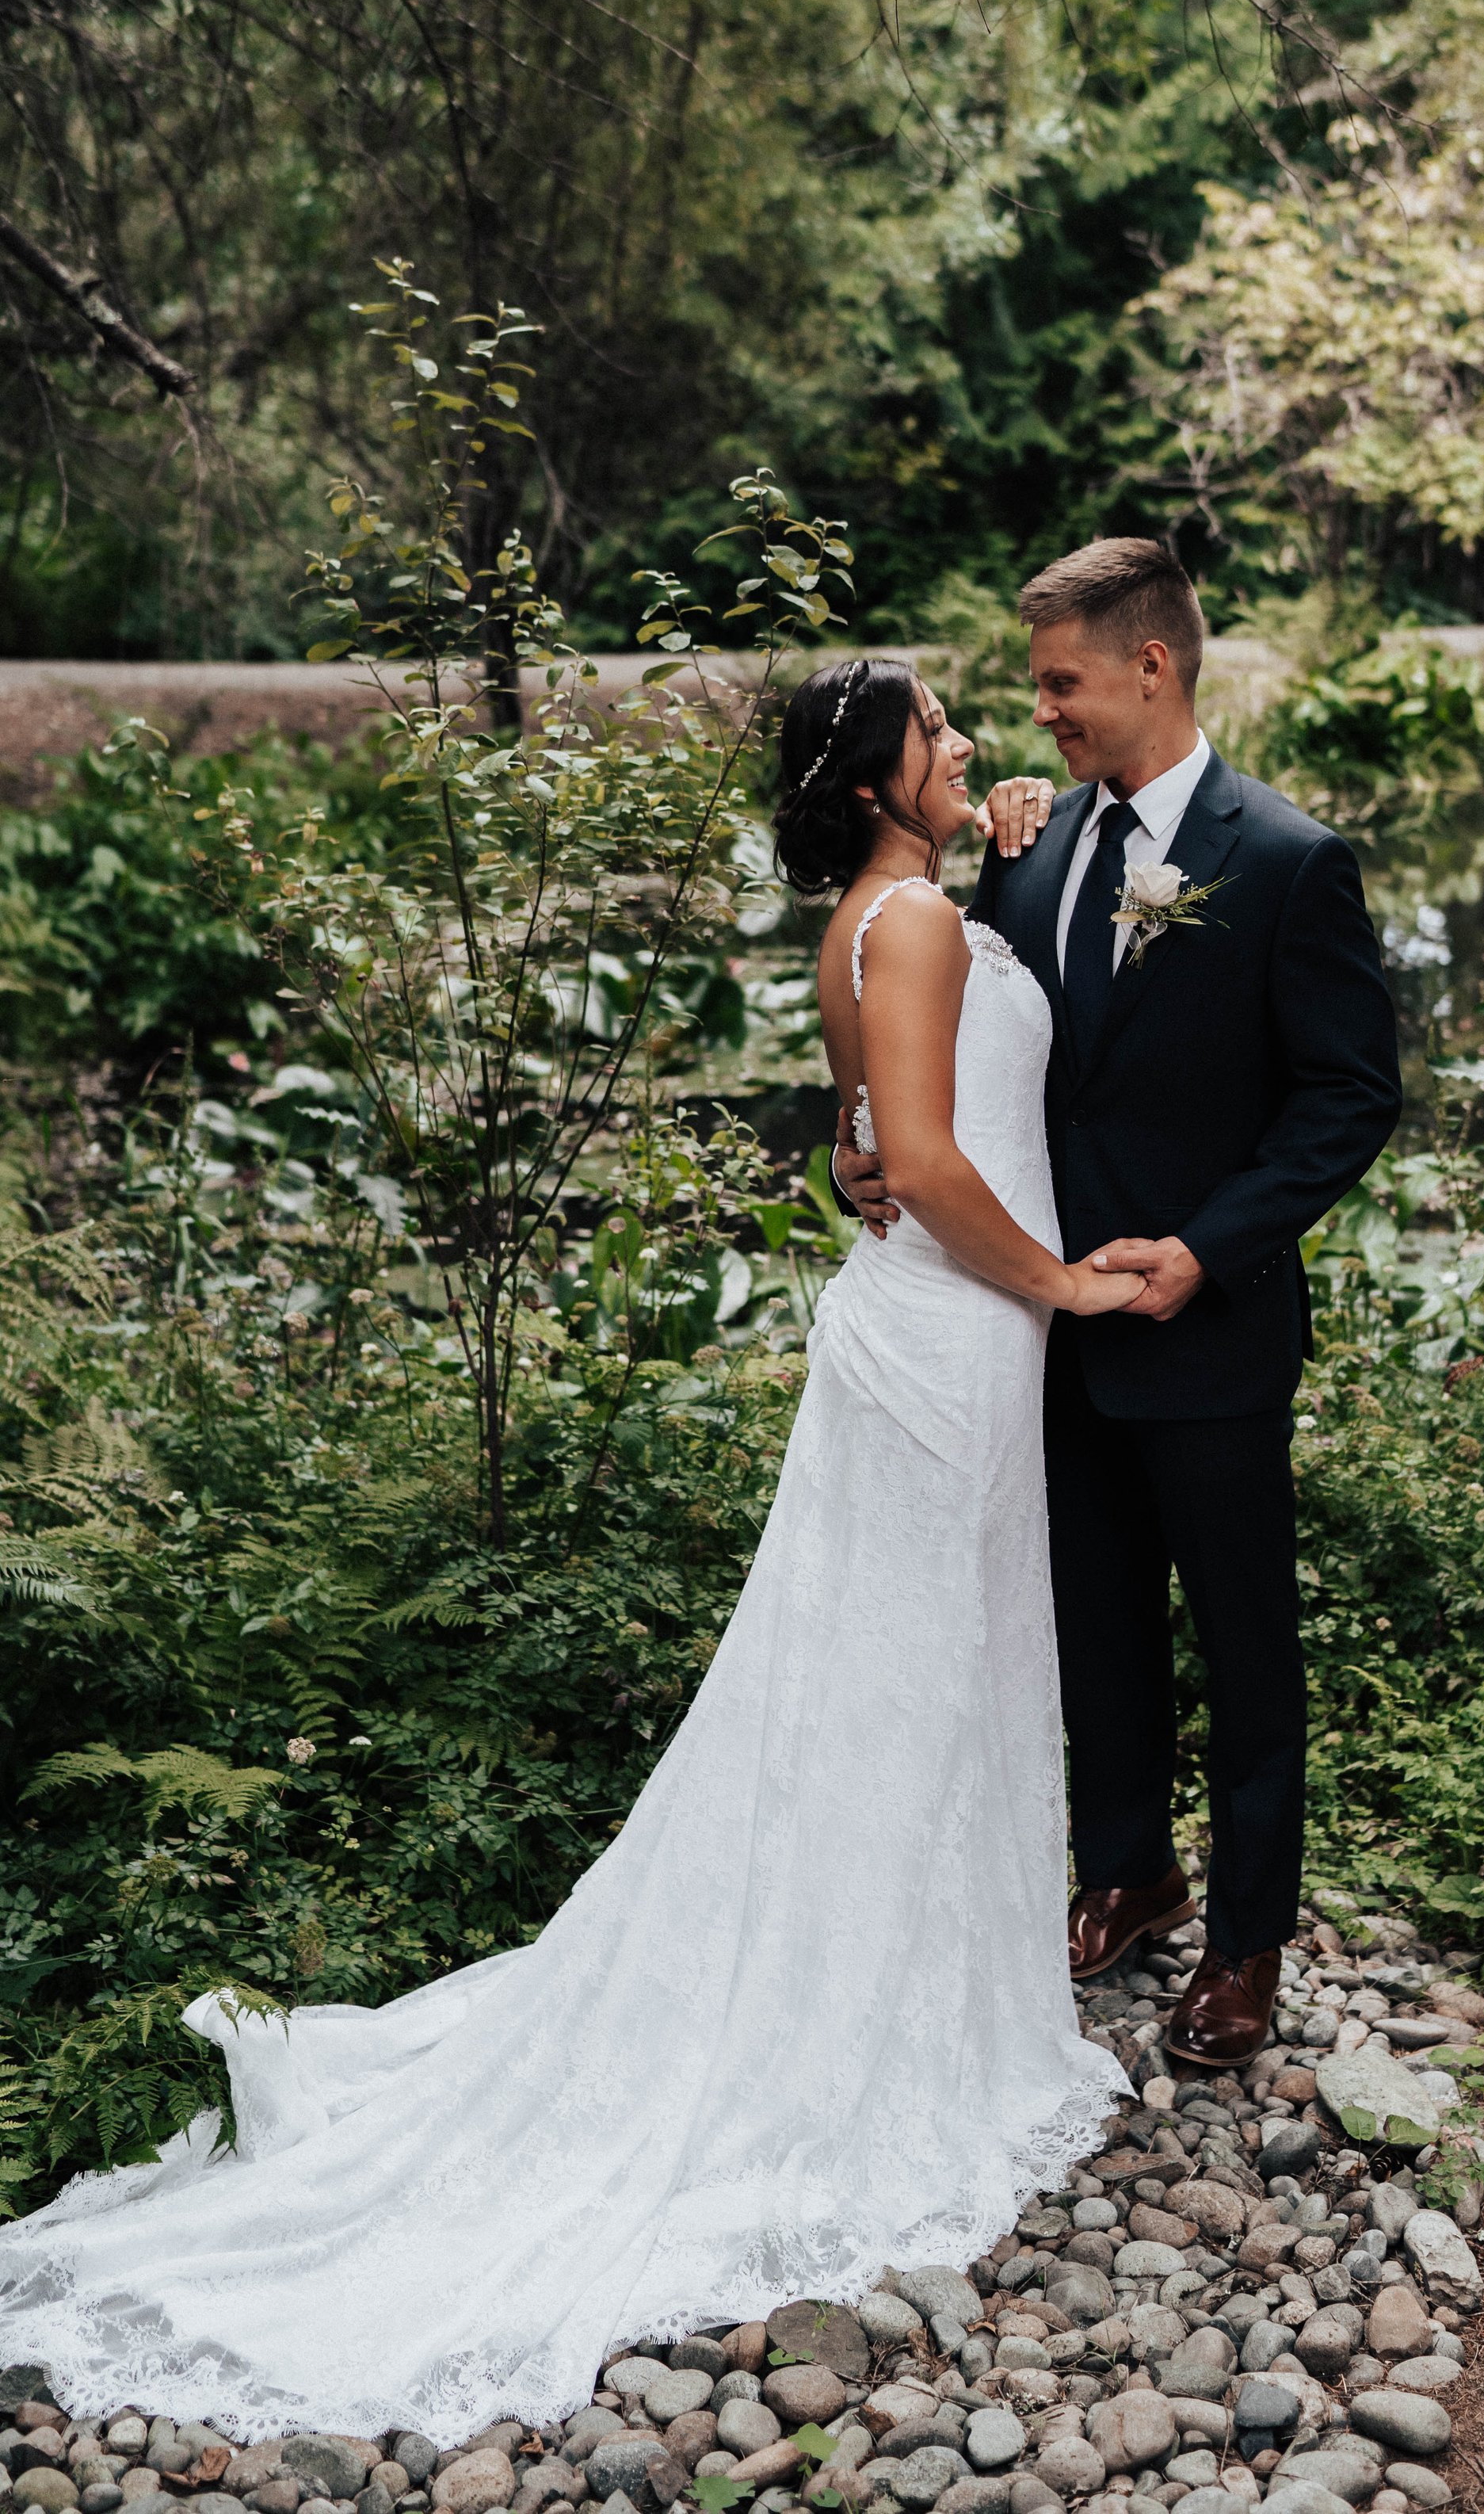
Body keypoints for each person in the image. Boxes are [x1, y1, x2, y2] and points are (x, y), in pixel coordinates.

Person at [0, 659, 1143, 2441]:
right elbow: (910, 1158)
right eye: (940, 738)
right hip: (950, 1343)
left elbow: (854, 1140)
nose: (972, 744)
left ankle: (898, 1972)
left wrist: (1001, 866)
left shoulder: (884, 917)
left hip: (921, 1340)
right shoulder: (910, 927)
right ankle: (867, 2024)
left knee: (903, 1689)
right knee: (912, 1686)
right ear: (872, 784)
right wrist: (1065, 1279)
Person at [835, 541, 1401, 2067]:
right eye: (1031, 688)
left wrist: (1208, 1249)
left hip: (1204, 1331)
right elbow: (948, 1042)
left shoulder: (1287, 861)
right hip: (1041, 1330)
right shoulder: (1026, 848)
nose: (1045, 714)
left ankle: (1247, 1944)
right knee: (1092, 1625)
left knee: (1243, 1640)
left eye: (1064, 683)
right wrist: (867, 1149)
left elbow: (1348, 1099)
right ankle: (1133, 1871)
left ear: (1151, 664)